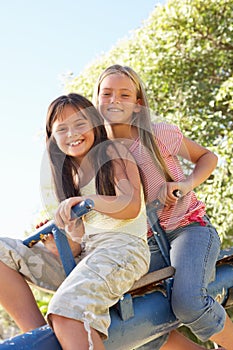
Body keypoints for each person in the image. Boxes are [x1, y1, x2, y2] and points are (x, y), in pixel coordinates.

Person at [92, 64, 230, 350]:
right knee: (132, 325)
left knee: (188, 302)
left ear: (137, 103)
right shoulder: (98, 156)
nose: (114, 100)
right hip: (145, 247)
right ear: (96, 100)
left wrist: (185, 185)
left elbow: (207, 157)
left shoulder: (156, 134)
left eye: (124, 95)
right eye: (107, 94)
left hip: (188, 230)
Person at [0, 93, 150, 350]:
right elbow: (75, 249)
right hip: (88, 257)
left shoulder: (114, 152)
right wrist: (57, 241)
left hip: (124, 250)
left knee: (66, 309)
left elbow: (131, 205)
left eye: (81, 124)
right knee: (2, 251)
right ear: (53, 137)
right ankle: (40, 336)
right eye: (62, 129)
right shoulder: (66, 178)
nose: (72, 133)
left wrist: (87, 201)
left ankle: (62, 329)